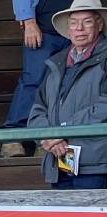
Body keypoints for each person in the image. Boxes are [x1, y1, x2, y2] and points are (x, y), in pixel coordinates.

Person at [28, 0, 107, 189]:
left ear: (100, 25)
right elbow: (38, 109)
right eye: (73, 23)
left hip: (97, 164)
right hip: (61, 161)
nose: (79, 28)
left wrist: (62, 131)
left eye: (87, 22)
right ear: (68, 29)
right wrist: (48, 136)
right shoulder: (56, 62)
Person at [3, 0, 72, 157]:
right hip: (44, 28)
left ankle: (47, 138)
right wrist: (29, 22)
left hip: (74, 29)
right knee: (33, 81)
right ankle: (13, 136)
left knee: (66, 85)